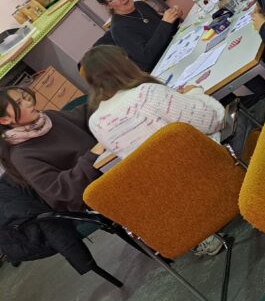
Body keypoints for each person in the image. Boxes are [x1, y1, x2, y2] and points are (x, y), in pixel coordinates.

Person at [79, 46, 228, 257]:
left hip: (166, 190)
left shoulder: (96, 122)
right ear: (123, 63)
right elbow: (213, 121)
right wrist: (195, 93)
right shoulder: (147, 93)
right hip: (208, 171)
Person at [0, 87, 101, 212]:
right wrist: (93, 156)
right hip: (95, 194)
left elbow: (85, 115)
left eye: (25, 98)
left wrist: (106, 102)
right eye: (19, 103)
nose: (29, 102)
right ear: (5, 120)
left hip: (107, 166)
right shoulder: (21, 156)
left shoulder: (48, 117)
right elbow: (63, 193)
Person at [93, 0, 182, 72]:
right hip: (161, 67)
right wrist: (166, 23)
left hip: (174, 50)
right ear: (108, 5)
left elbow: (166, 32)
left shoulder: (140, 5)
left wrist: (174, 17)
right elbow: (146, 57)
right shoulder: (119, 28)